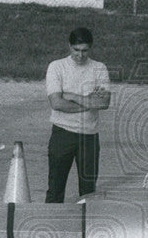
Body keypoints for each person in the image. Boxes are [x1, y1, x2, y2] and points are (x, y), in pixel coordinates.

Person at [44, 27, 111, 203]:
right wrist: (88, 102)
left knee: (88, 191)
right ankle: (53, 226)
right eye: (76, 50)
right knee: (56, 188)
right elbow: (56, 103)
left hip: (89, 136)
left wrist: (72, 96)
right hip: (62, 133)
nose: (80, 56)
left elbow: (103, 103)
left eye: (85, 51)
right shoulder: (56, 67)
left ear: (90, 48)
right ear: (69, 46)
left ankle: (86, 227)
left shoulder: (99, 68)